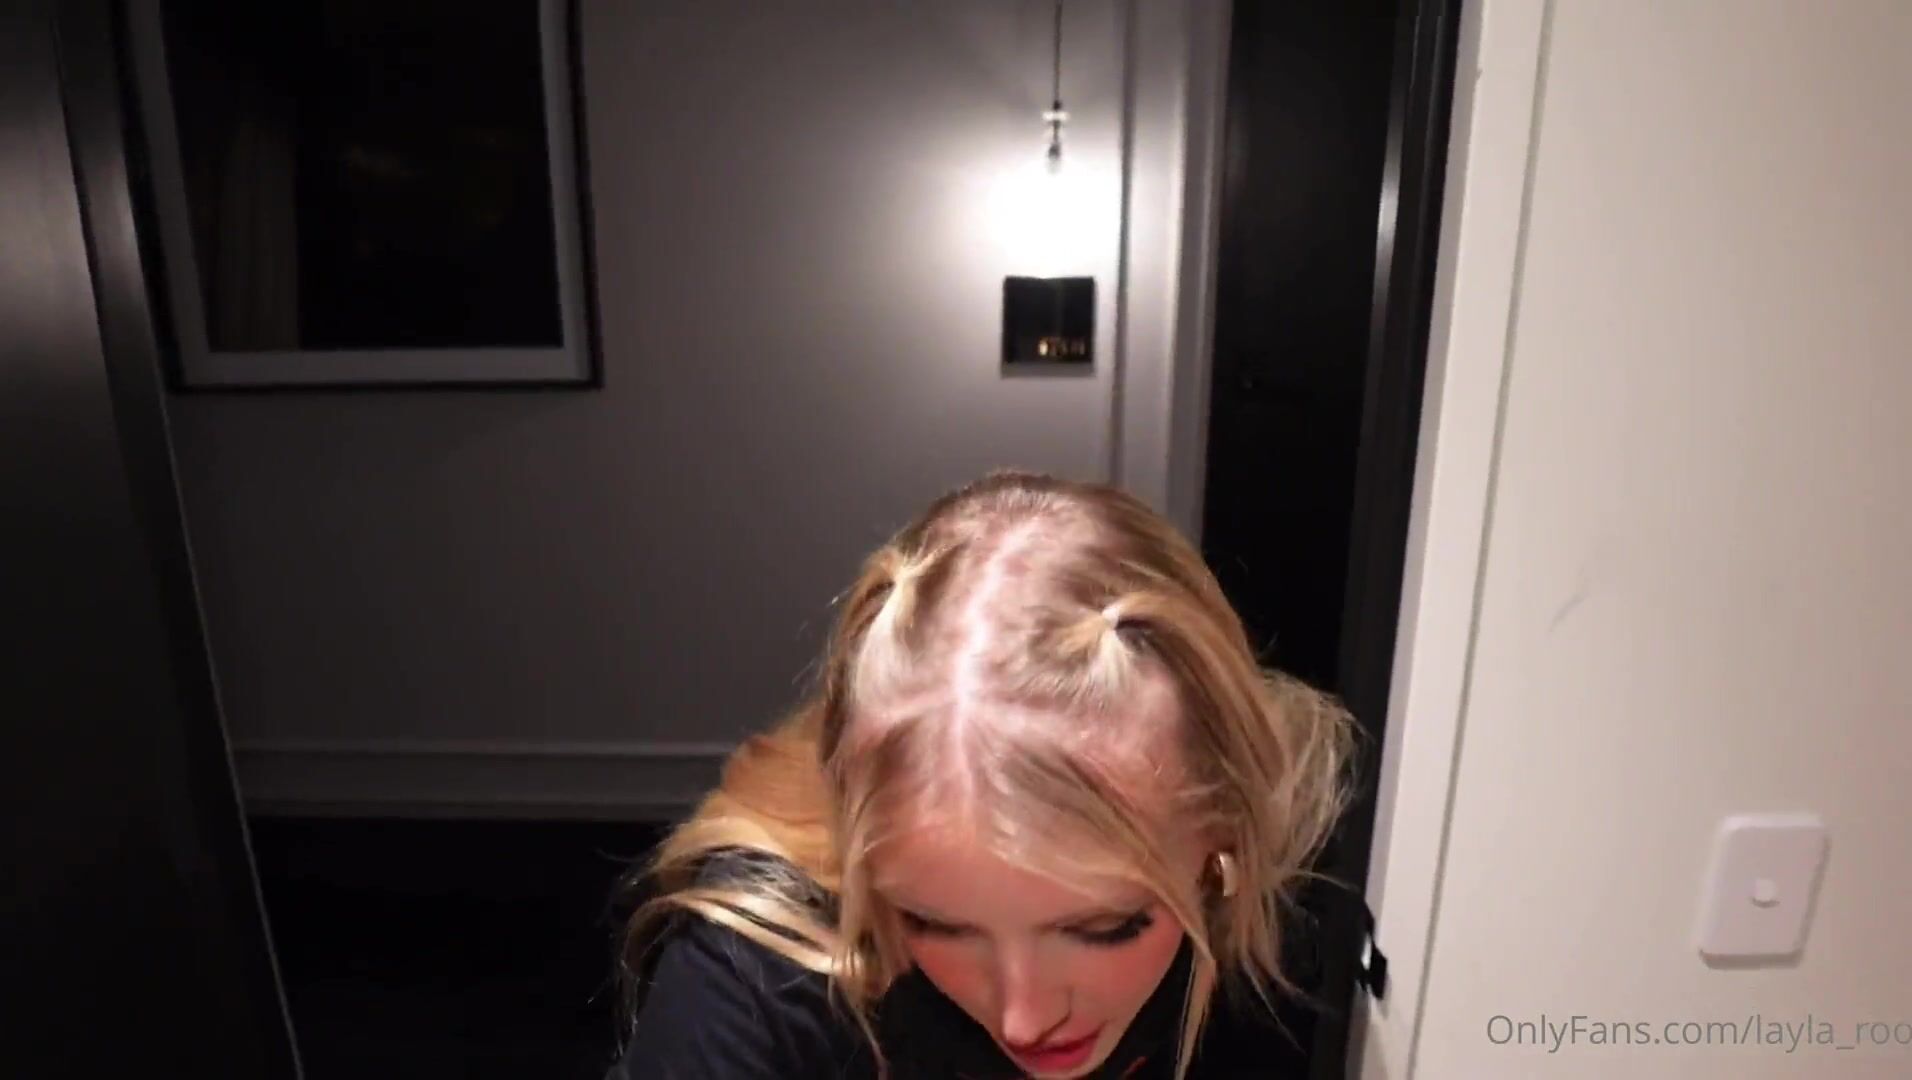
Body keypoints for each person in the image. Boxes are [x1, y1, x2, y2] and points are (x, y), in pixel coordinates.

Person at [608, 470, 1354, 1079]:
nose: (1025, 1018)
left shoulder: (1301, 915)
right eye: (934, 924)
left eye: (1103, 929)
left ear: (1222, 838)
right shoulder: (754, 982)